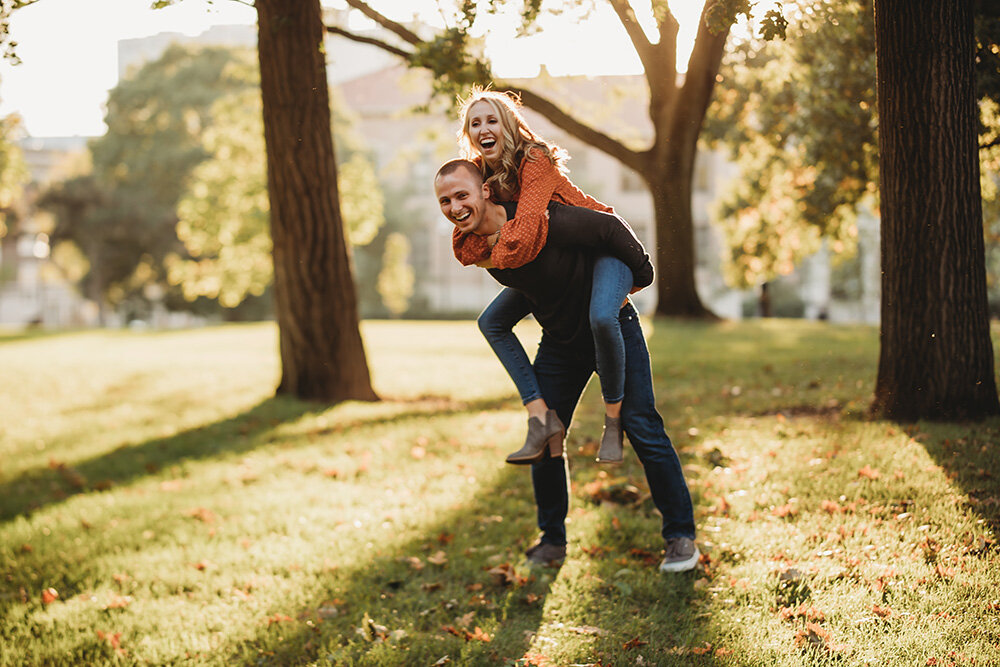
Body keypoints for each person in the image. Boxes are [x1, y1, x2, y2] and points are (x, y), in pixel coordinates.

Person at [434, 158, 699, 572]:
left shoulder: (541, 219)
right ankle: (552, 540)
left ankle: (681, 536)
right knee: (546, 437)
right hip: (560, 341)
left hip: (612, 329)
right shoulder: (480, 247)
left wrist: (636, 275)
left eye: (461, 195)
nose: (454, 207)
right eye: (445, 200)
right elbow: (529, 287)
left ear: (485, 191)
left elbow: (607, 227)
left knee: (643, 426)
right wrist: (535, 403)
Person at [452, 88, 642, 466]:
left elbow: (523, 237)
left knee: (602, 317)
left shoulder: (533, 159)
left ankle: (613, 419)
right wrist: (492, 247)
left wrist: (494, 250)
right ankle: (539, 416)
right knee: (491, 321)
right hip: (553, 264)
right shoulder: (481, 175)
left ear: (508, 127)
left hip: (598, 248)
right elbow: (463, 247)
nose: (483, 128)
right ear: (468, 135)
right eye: (475, 123)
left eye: (492, 120)